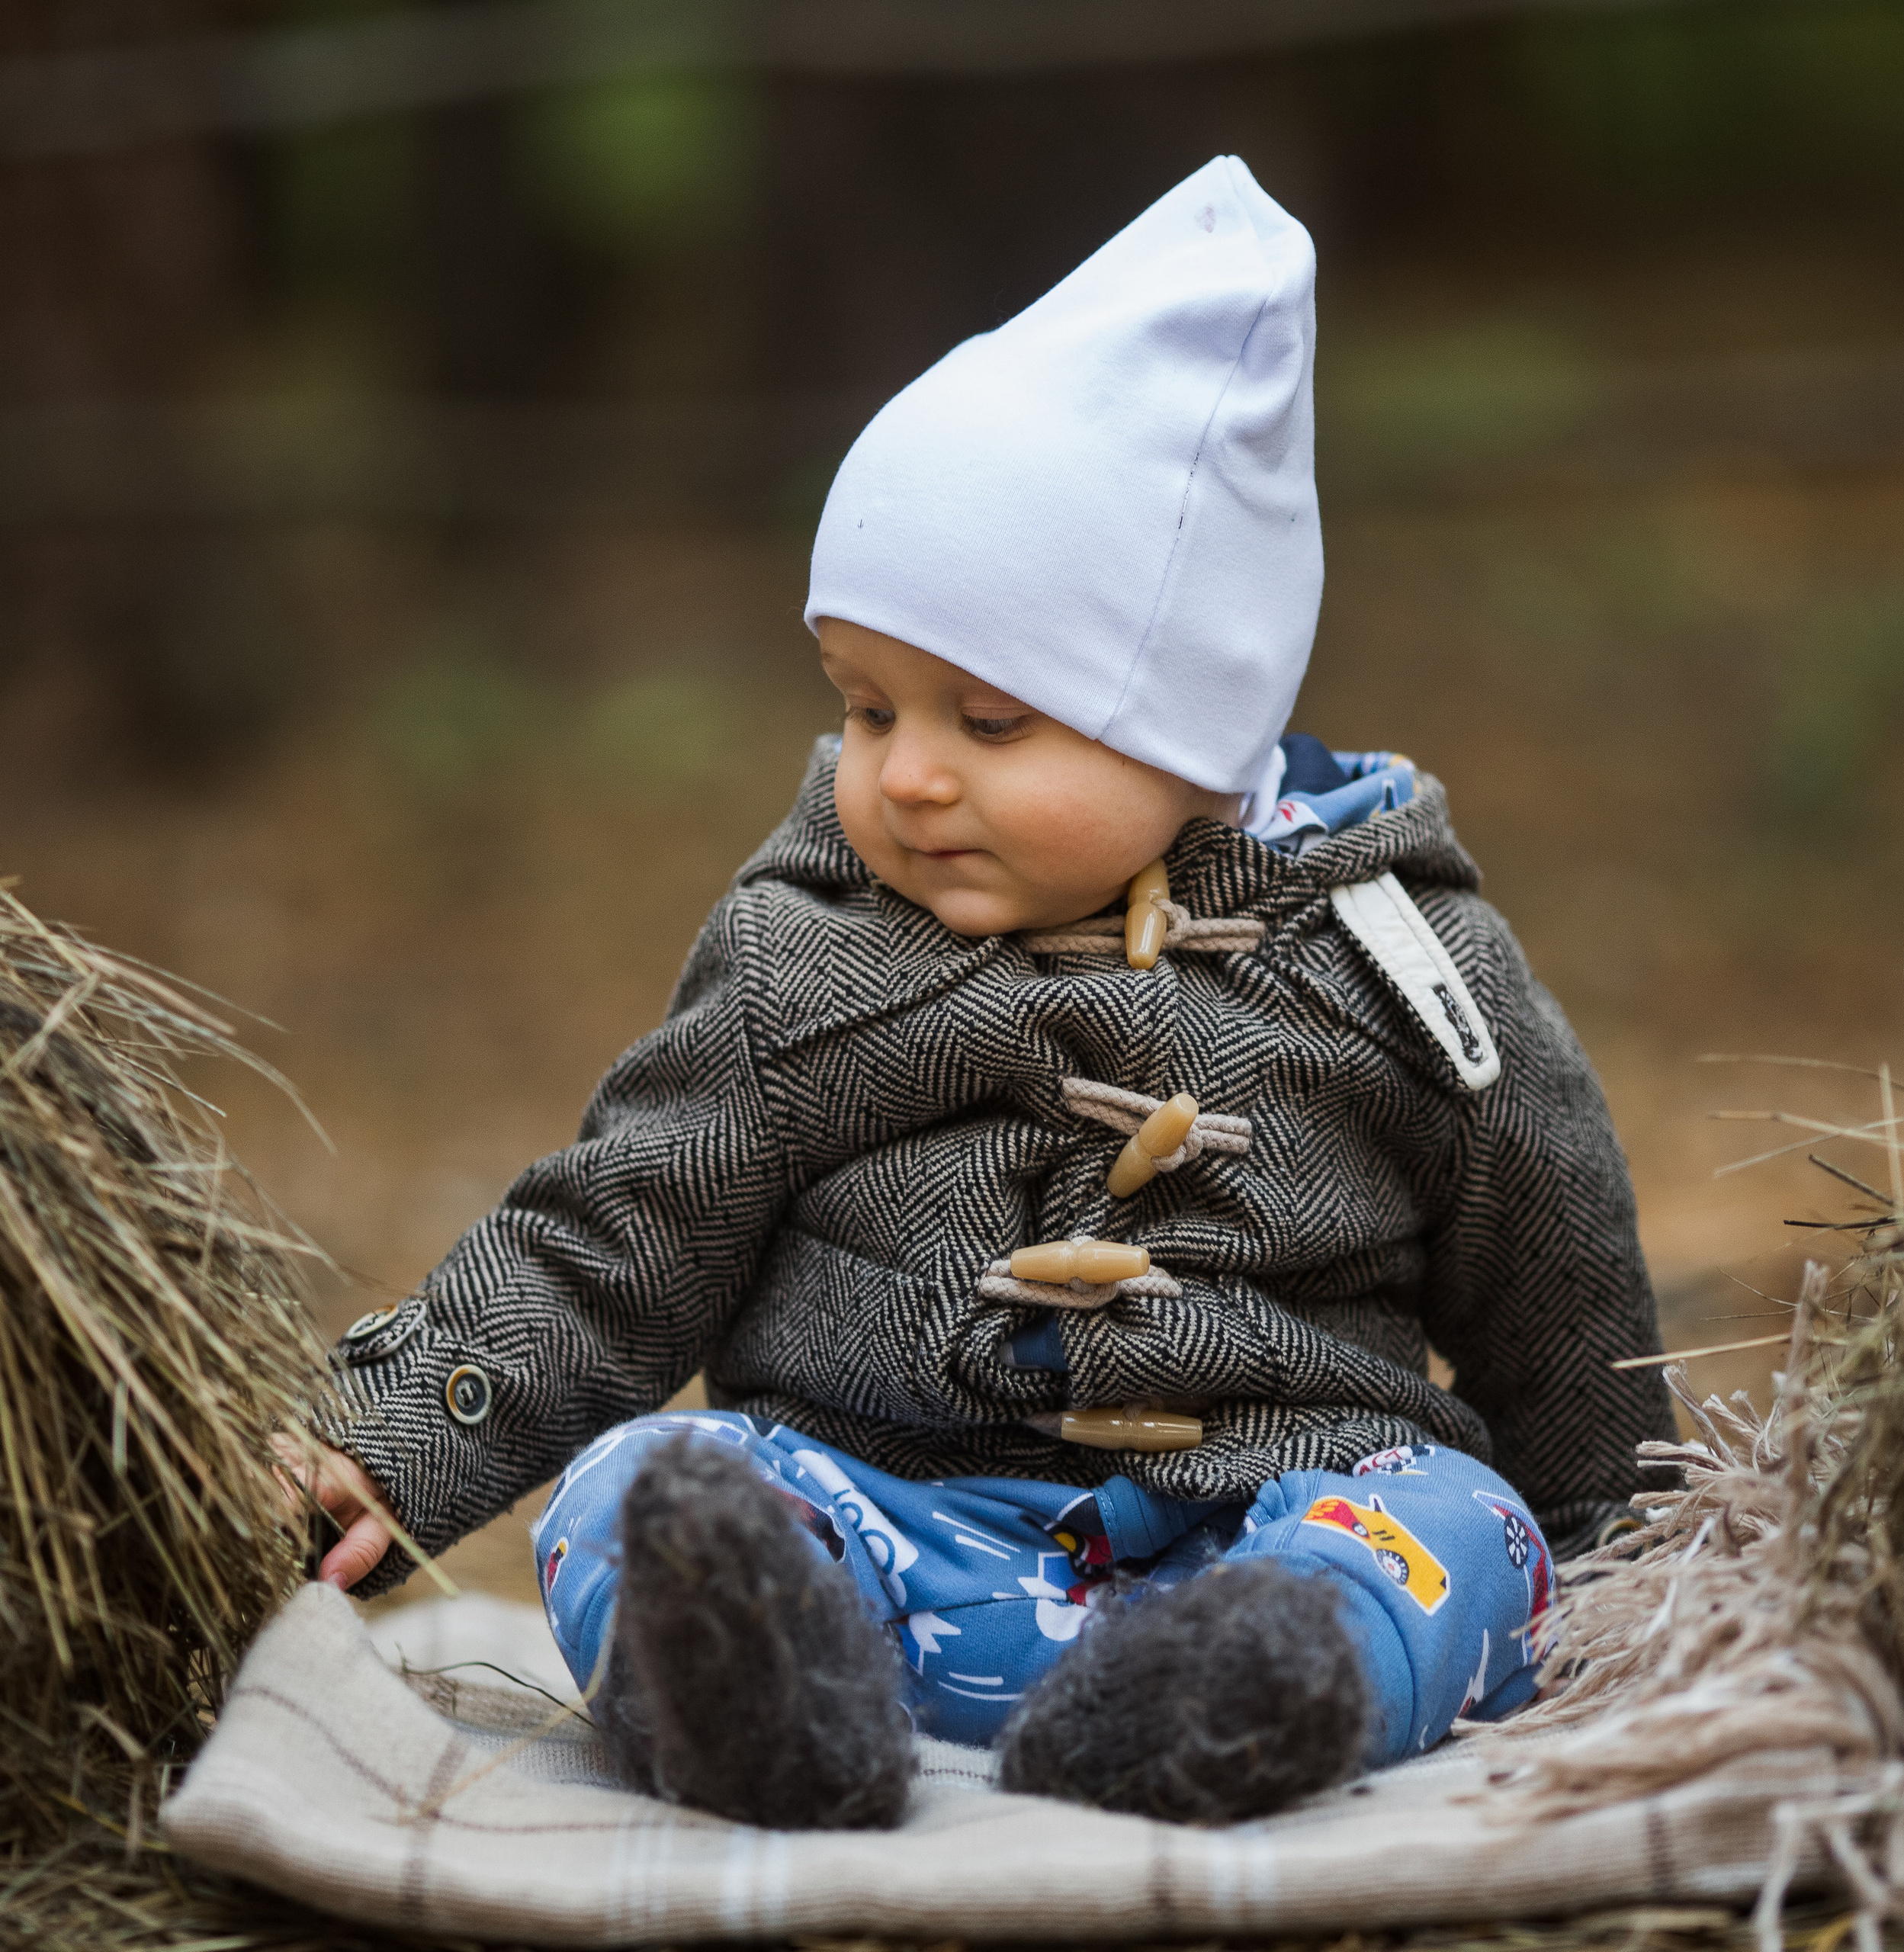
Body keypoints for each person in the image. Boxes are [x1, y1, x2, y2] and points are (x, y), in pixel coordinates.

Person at [287, 156, 1672, 1830]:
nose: (906, 778)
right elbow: (623, 1225)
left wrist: (1630, 1549)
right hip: (880, 1523)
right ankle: (754, 1686)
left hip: (1271, 1514)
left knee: (1463, 1530)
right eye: (866, 708)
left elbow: (1557, 1272)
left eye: (985, 720)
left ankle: (1249, 1689)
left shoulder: (1397, 959)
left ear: (1194, 712)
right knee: (642, 1490)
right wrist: (400, 1432)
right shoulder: (818, 942)